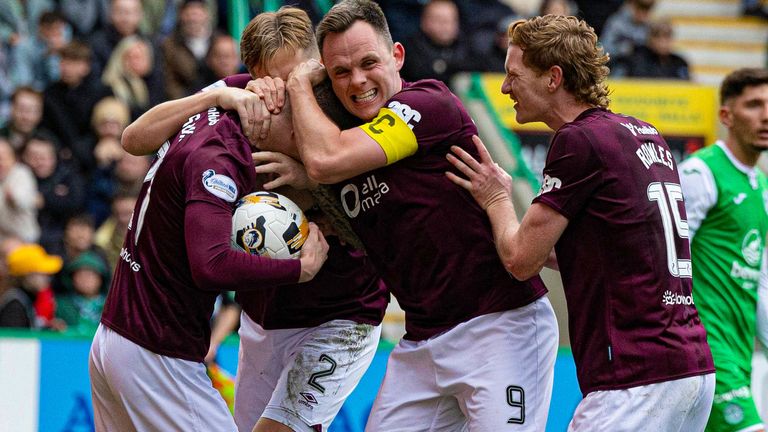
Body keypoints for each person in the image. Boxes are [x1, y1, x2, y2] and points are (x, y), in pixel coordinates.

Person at [278, 1, 558, 429]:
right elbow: (325, 173)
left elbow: (325, 160)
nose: (357, 81)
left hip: (501, 327)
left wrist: (299, 83)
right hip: (423, 341)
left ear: (398, 56)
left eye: (369, 62)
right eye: (340, 72)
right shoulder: (346, 143)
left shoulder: (427, 103)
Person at [121, 8, 390, 432]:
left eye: (298, 77)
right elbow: (134, 138)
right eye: (272, 83)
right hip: (263, 313)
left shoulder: (351, 109)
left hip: (342, 314)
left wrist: (310, 181)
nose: (285, 94)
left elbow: (381, 233)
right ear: (253, 74)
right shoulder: (243, 96)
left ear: (317, 60)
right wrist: (213, 96)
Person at [444, 14, 715, 430]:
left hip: (633, 376)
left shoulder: (578, 139)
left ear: (553, 77)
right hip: (691, 367)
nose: (504, 87)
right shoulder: (645, 132)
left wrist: (496, 196)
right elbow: (605, 249)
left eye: (513, 74)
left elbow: (520, 260)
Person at [87, 46, 330, 431]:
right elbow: (211, 264)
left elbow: (133, 137)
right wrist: (298, 268)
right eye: (300, 131)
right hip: (156, 353)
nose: (306, 145)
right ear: (271, 105)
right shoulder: (220, 160)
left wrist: (214, 94)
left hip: (117, 336)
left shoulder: (220, 105)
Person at [679, 68, 768, 432]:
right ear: (726, 116)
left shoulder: (761, 186)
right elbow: (664, 259)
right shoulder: (700, 173)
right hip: (703, 349)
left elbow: (760, 283)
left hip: (739, 352)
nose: (766, 115)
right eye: (754, 105)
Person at [610, 18, 690, 80]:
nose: (663, 41)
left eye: (667, 36)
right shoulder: (635, 60)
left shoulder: (680, 63)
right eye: (657, 36)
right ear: (649, 38)